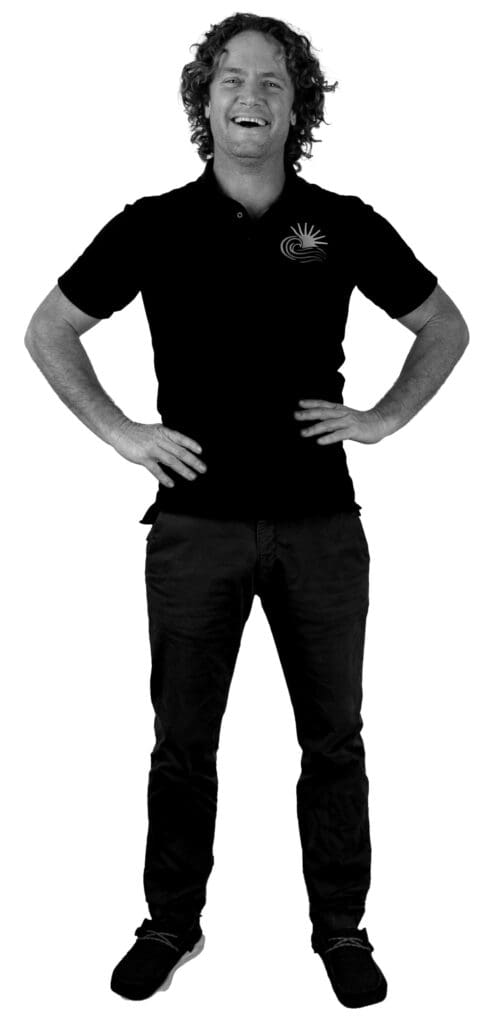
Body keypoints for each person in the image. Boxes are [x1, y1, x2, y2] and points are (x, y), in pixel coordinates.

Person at [24, 12, 469, 1009]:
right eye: (232, 79)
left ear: (298, 105)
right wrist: (122, 431)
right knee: (183, 741)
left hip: (321, 527)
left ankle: (341, 928)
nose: (251, 96)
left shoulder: (341, 223)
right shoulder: (151, 224)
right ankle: (170, 922)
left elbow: (445, 325)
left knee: (335, 739)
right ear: (205, 99)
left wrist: (383, 418)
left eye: (273, 81)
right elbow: (49, 328)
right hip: (194, 528)